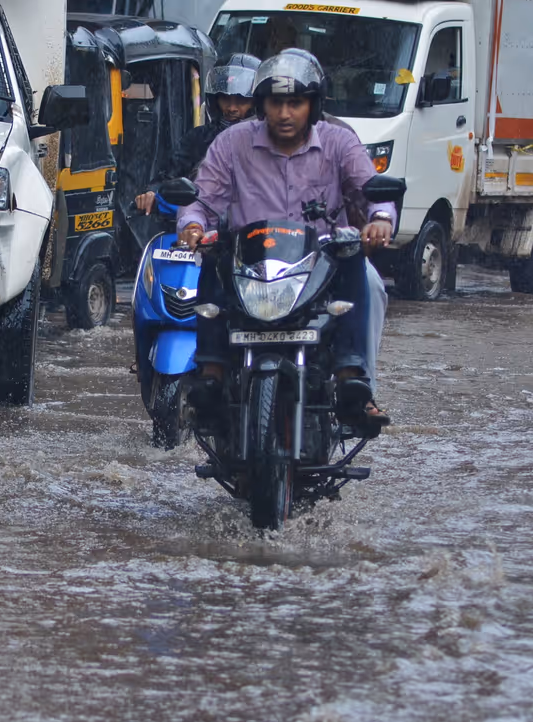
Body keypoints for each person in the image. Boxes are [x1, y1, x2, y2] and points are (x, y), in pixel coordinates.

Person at [176, 51, 394, 435]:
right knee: (211, 252)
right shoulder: (231, 143)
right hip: (250, 265)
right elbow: (202, 198)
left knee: (368, 279)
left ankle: (355, 383)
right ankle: (211, 372)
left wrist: (380, 220)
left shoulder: (340, 142)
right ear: (262, 105)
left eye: (295, 103)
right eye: (276, 103)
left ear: (313, 105)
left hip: (323, 266)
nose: (284, 114)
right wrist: (192, 225)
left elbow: (371, 190)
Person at [134, 54, 261, 215]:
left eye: (241, 100)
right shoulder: (199, 137)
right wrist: (152, 194)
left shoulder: (270, 141)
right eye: (225, 99)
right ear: (215, 100)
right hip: (201, 221)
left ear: (256, 103)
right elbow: (169, 175)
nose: (231, 108)